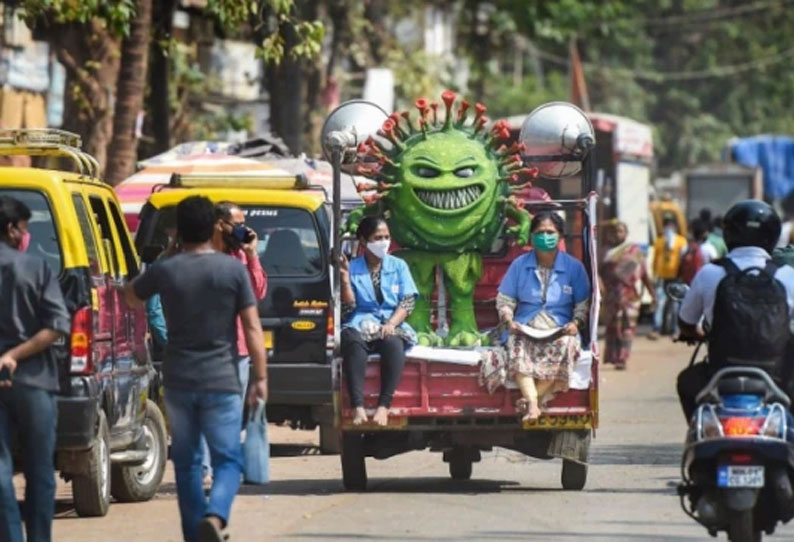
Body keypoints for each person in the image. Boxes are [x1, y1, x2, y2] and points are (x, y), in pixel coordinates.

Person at [125, 196, 268, 542]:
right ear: (214, 227)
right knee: (229, 460)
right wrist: (261, 378)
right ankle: (216, 516)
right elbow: (252, 328)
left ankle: (194, 534)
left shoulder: (166, 269)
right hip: (222, 377)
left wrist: (171, 251)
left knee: (187, 463)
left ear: (179, 231)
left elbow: (131, 295)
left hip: (178, 380)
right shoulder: (232, 270)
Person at [676, 200, 794, 421]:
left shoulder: (709, 273)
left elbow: (686, 321)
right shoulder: (787, 276)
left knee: (687, 381)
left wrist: (698, 334)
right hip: (777, 374)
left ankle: (700, 431)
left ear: (728, 233)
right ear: (773, 235)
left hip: (721, 372)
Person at [0, 196, 70, 542]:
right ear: (12, 230)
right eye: (25, 228)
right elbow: (57, 324)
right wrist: (14, 354)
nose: (26, 236)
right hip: (34, 381)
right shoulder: (37, 268)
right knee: (41, 470)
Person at [495, 211, 591, 421]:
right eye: (540, 232)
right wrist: (508, 319)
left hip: (559, 328)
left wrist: (576, 323)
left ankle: (532, 400)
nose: (545, 236)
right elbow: (505, 299)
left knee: (567, 345)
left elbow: (583, 304)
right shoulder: (520, 265)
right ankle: (533, 405)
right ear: (531, 237)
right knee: (515, 344)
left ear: (560, 236)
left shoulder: (574, 268)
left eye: (550, 232)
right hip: (526, 325)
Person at [340, 216, 418, 427]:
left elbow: (408, 301)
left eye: (386, 237)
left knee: (393, 343)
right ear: (364, 241)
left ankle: (384, 406)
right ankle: (358, 406)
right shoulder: (353, 267)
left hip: (391, 321)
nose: (384, 242)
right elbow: (348, 309)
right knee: (352, 342)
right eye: (378, 237)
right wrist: (346, 281)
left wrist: (392, 323)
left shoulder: (399, 265)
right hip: (361, 321)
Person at [600, 221, 656, 370]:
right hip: (611, 297)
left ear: (626, 233)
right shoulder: (604, 252)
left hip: (630, 296)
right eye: (614, 231)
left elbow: (644, 274)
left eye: (620, 231)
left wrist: (653, 295)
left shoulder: (634, 251)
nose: (617, 234)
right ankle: (614, 356)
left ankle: (623, 358)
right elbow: (597, 274)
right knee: (613, 328)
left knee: (628, 328)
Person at [648, 216, 688, 339]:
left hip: (676, 277)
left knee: (675, 305)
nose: (669, 229)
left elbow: (684, 259)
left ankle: (675, 330)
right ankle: (657, 328)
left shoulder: (681, 241)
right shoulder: (659, 241)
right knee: (660, 303)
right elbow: (655, 259)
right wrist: (654, 274)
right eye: (667, 226)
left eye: (671, 226)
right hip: (661, 277)